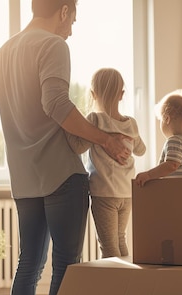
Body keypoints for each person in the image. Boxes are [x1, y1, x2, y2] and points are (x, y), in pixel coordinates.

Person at [0, 1, 131, 295]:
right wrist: (105, 138)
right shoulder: (54, 45)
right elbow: (55, 103)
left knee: (28, 265)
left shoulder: (3, 53)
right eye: (73, 20)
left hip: (24, 177)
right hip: (61, 176)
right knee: (66, 267)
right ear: (65, 10)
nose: (71, 29)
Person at [67, 68, 146, 258]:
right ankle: (127, 283)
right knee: (120, 239)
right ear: (121, 94)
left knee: (108, 246)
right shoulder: (131, 124)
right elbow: (141, 150)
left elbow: (78, 147)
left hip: (104, 193)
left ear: (93, 94)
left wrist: (67, 127)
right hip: (127, 193)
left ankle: (115, 286)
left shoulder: (95, 119)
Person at [134, 89, 182, 187]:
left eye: (161, 119)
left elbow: (172, 165)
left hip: (174, 192)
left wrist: (149, 175)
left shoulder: (175, 141)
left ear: (167, 119)